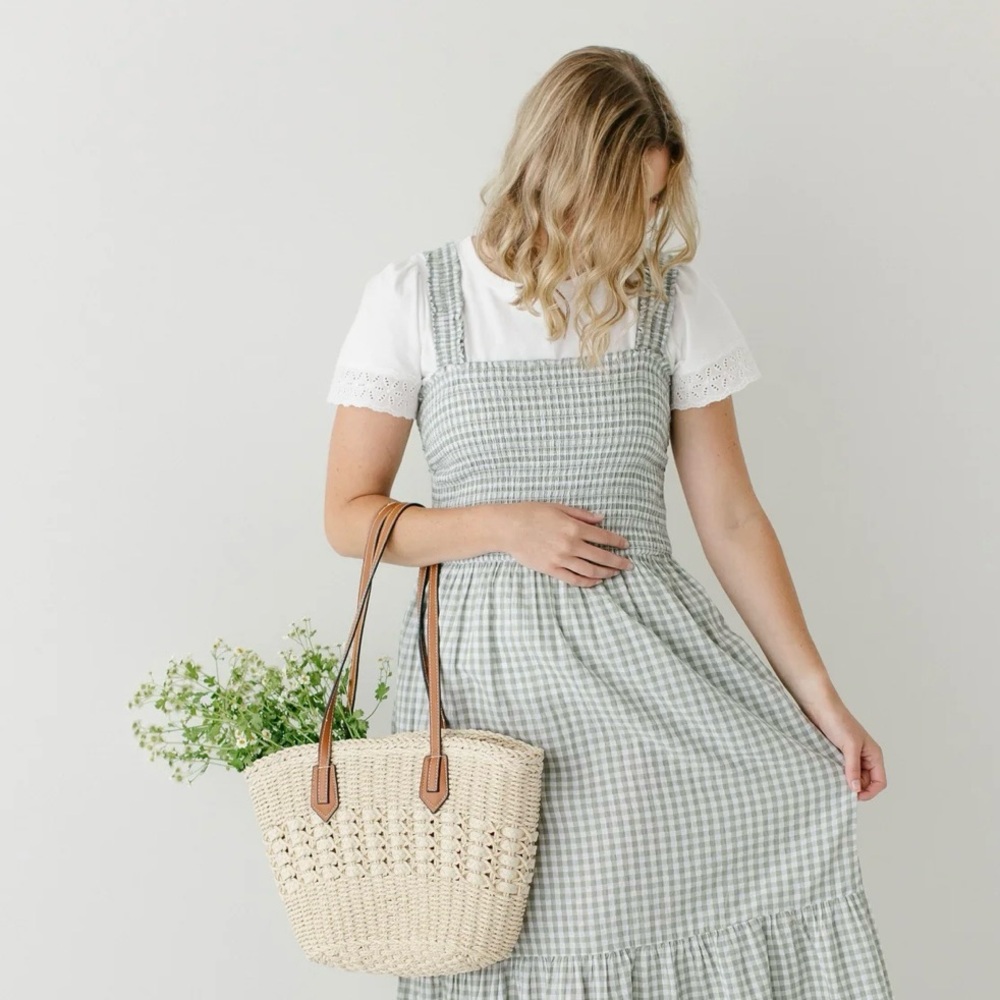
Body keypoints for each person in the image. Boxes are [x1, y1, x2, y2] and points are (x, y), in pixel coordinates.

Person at [323, 45, 894, 1000]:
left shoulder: (671, 302)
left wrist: (822, 703)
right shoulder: (415, 298)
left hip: (648, 670)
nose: (639, 229)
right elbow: (350, 518)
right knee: (515, 940)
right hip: (491, 683)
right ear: (555, 172)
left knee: (790, 795)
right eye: (622, 200)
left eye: (654, 202)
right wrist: (501, 527)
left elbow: (734, 520)